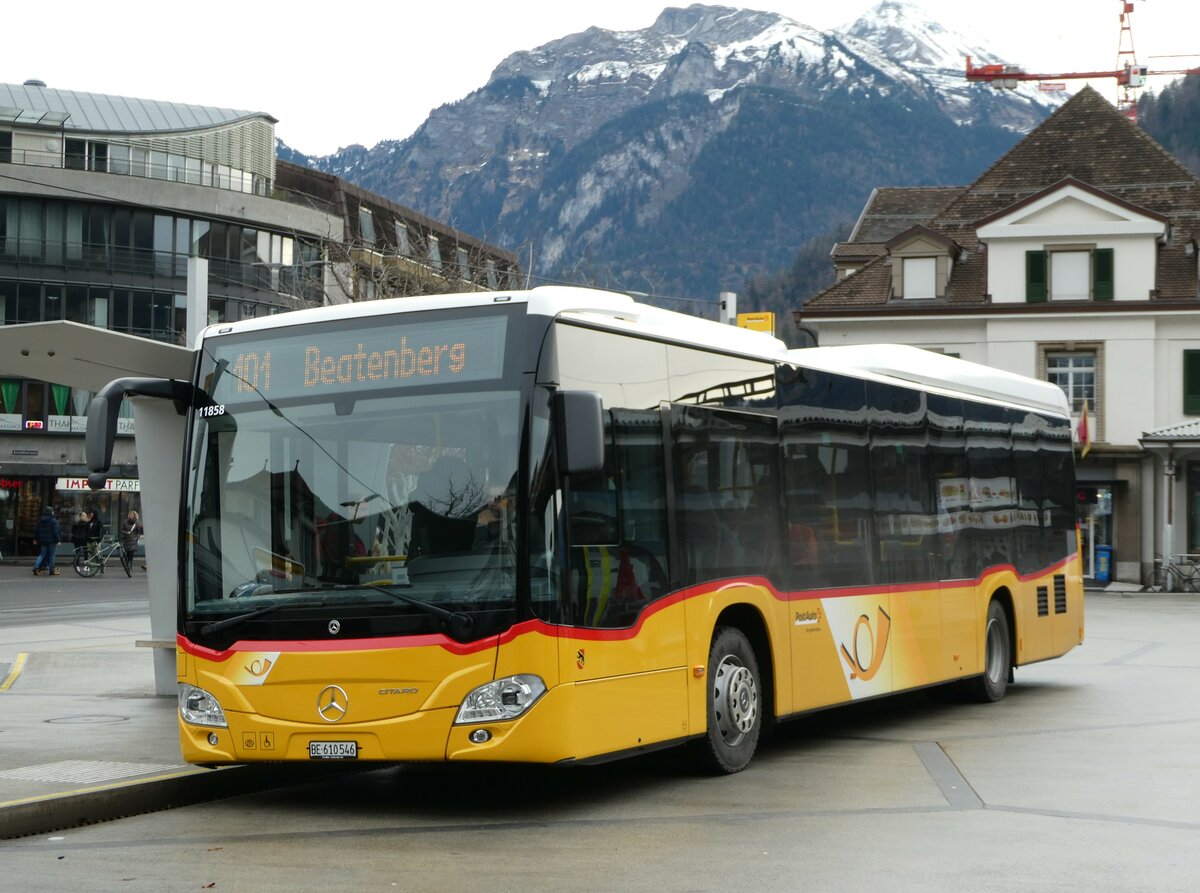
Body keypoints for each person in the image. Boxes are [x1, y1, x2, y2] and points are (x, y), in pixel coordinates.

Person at [32, 505, 62, 576]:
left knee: (42, 554)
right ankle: (52, 570)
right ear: (51, 512)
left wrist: (35, 539)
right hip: (52, 541)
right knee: (51, 555)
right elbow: (55, 532)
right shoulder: (53, 520)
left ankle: (35, 567)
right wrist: (58, 540)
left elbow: (36, 530)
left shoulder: (40, 520)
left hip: (43, 541)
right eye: (53, 511)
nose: (53, 512)